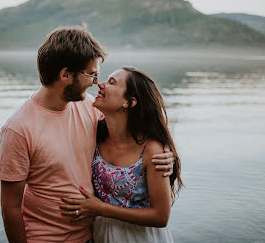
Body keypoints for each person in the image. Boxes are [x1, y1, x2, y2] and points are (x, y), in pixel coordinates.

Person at [0, 27, 174, 243]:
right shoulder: (18, 129)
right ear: (65, 75)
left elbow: (131, 129)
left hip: (91, 235)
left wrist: (166, 154)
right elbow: (11, 208)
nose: (95, 82)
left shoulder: (90, 107)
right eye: (91, 74)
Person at [60, 67, 183, 243]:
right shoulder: (94, 135)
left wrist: (101, 208)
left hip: (141, 238)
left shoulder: (152, 150)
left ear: (129, 102)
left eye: (111, 83)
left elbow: (161, 217)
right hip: (100, 235)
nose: (100, 84)